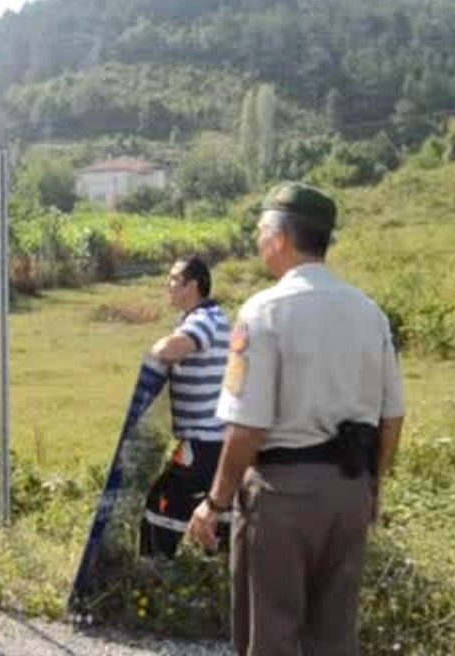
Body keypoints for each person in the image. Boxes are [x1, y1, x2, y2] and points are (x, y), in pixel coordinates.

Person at [187, 183, 406, 656]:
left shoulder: (263, 311)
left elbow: (247, 427)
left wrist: (215, 502)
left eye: (261, 230)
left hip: (282, 497)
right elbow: (392, 415)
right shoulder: (369, 312)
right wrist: (373, 486)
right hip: (349, 491)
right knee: (334, 637)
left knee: (272, 635)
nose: (257, 240)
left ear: (281, 238)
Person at [139, 256, 231, 557]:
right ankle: (213, 571)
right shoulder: (209, 316)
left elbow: (168, 350)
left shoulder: (203, 320)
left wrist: (153, 351)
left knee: (162, 506)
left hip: (203, 440)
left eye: (174, 279)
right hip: (214, 439)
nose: (168, 285)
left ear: (193, 285)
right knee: (213, 513)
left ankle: (156, 570)